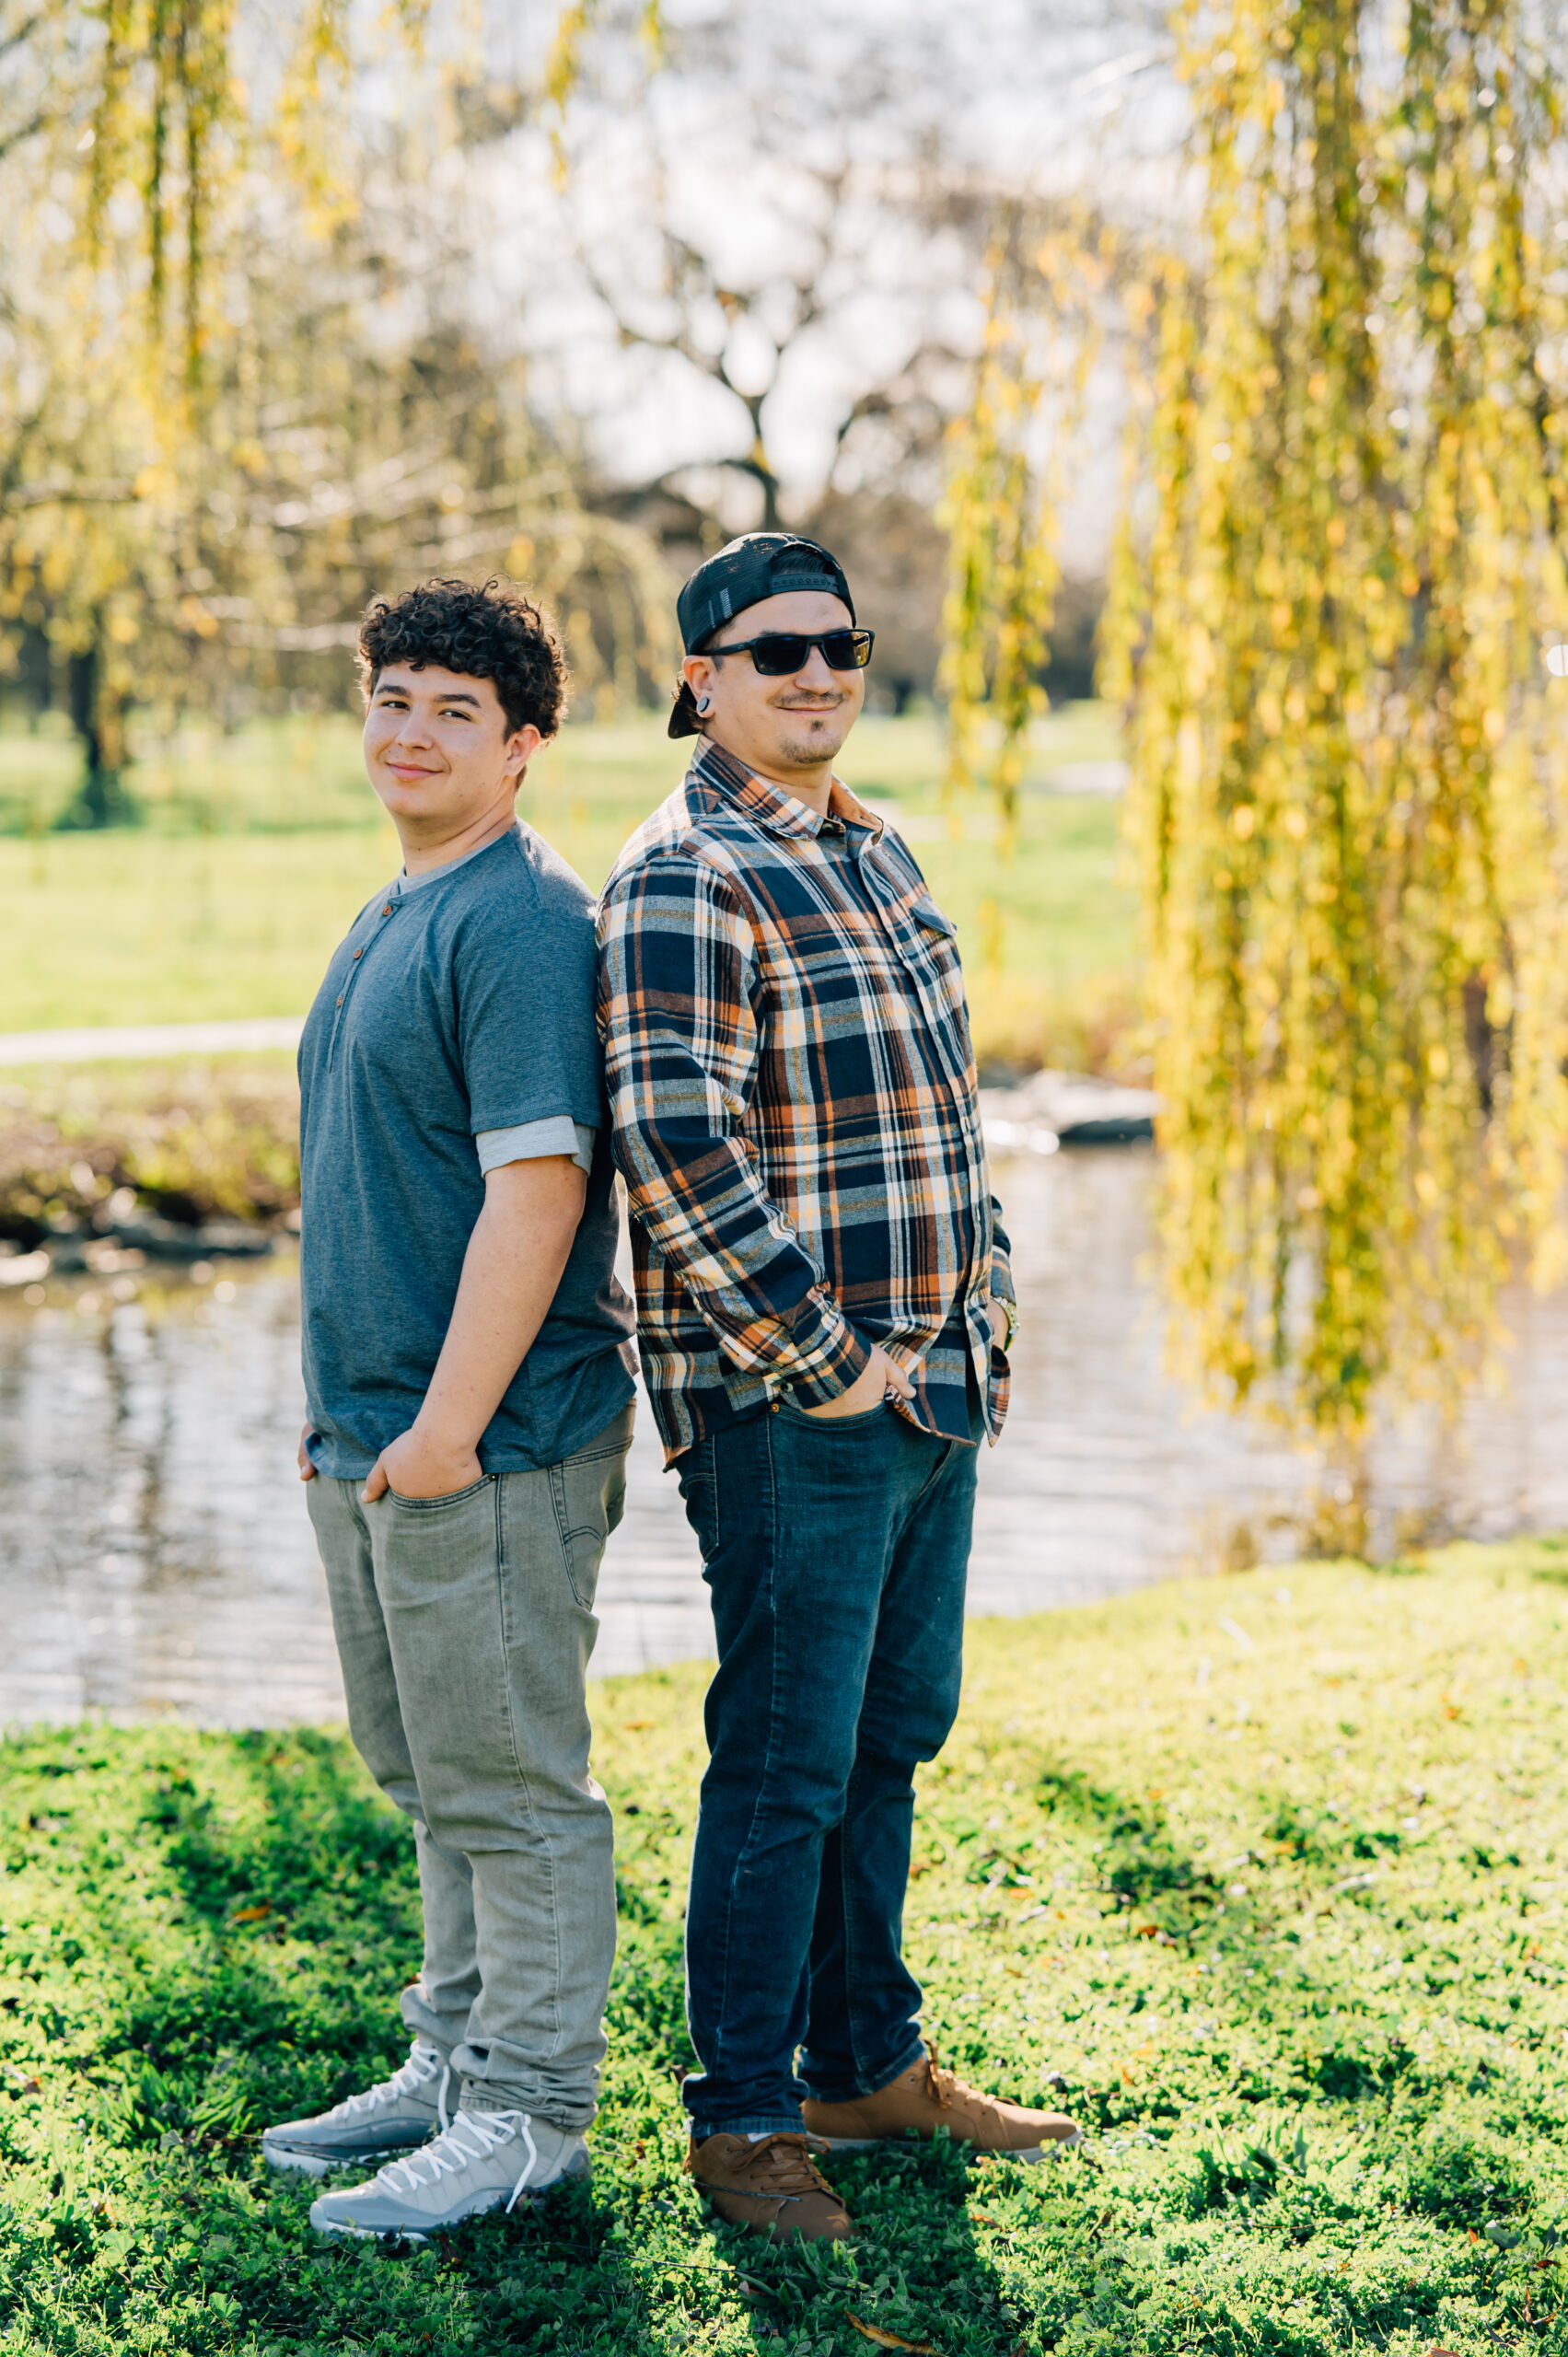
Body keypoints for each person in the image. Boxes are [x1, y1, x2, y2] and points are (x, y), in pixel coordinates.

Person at [596, 533, 1080, 2245]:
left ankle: (863, 2068)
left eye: (842, 646)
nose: (817, 674)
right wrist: (830, 1363)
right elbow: (672, 1143)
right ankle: (740, 2120)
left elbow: (949, 1117)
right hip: (796, 1412)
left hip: (935, 1389)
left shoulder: (877, 852)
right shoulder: (685, 876)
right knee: (786, 1762)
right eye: (775, 651)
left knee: (891, 1738)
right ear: (699, 682)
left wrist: (981, 1313)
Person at [263, 576, 638, 2239]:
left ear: (526, 747)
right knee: (432, 1773)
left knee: (513, 1785)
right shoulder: (398, 902)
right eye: (393, 698)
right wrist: (349, 1415)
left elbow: (540, 1194)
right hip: (379, 1438)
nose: (412, 732)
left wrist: (439, 1434)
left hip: (488, 1443)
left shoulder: (517, 922)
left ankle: (534, 2114)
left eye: (455, 711)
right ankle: (458, 2058)